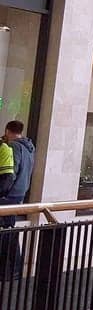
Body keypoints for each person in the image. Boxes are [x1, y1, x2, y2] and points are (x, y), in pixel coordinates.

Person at [0, 120, 30, 279]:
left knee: (6, 233)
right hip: (19, 193)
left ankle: (8, 270)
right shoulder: (28, 147)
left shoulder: (13, 147)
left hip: (8, 195)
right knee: (9, 231)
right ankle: (14, 269)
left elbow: (10, 173)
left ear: (7, 130)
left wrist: (2, 191)